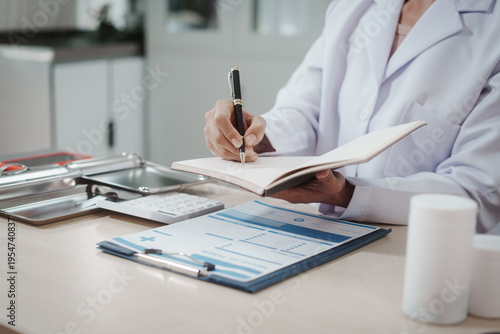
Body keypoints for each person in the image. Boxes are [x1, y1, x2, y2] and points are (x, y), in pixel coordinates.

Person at [204, 0, 500, 233]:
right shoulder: (351, 7)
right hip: (319, 231)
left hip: (417, 249)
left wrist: (346, 194)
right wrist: (256, 137)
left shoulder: (492, 26)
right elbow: (304, 110)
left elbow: (477, 191)